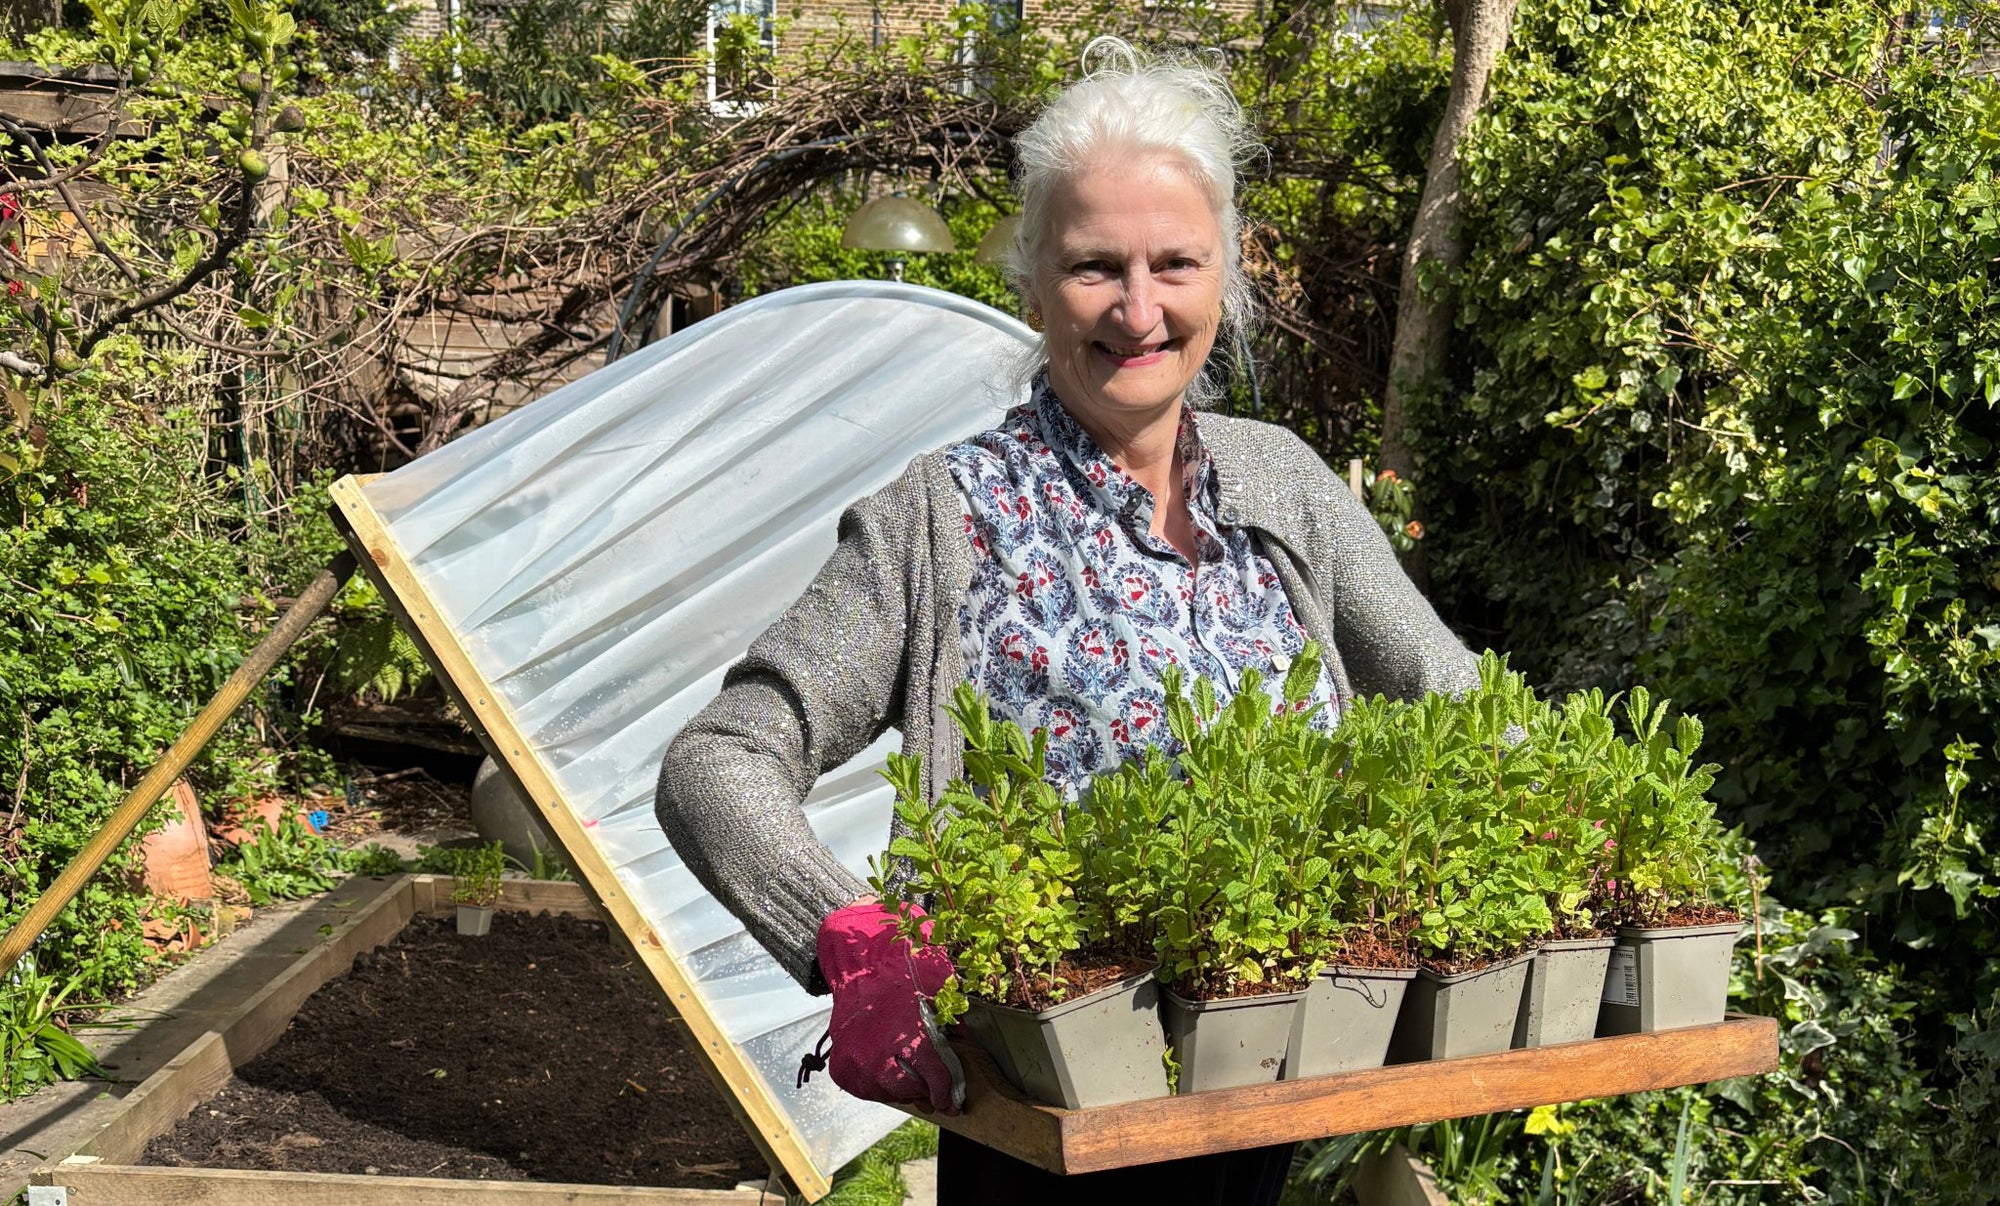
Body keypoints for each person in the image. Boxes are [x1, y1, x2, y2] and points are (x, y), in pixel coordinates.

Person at [655, 38, 1480, 1205]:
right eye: (1095, 266)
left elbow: (1457, 707)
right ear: (1034, 279)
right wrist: (850, 944)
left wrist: (1599, 841)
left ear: (1225, 277)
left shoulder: (1284, 485)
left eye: (1175, 265)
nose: (1137, 311)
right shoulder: (940, 520)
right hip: (1040, 1131)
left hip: (1267, 1091)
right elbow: (718, 760)